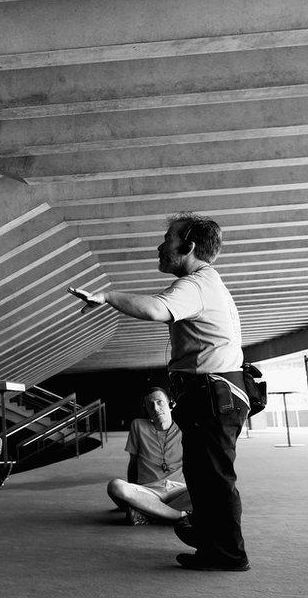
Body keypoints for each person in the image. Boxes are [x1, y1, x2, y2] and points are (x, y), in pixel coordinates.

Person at [69, 212, 250, 572]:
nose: (160, 246)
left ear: (189, 246)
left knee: (214, 479)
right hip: (216, 393)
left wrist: (107, 296)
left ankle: (228, 554)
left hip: (213, 394)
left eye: (168, 238)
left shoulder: (197, 284)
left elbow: (156, 309)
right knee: (203, 476)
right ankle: (210, 540)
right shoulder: (208, 282)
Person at [107, 387, 192, 526]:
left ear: (171, 404)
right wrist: (133, 493)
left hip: (180, 490)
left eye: (159, 402)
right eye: (150, 405)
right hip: (148, 490)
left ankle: (147, 512)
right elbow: (133, 463)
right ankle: (178, 515)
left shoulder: (185, 427)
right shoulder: (138, 426)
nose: (156, 408)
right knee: (115, 486)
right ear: (146, 409)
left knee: (213, 488)